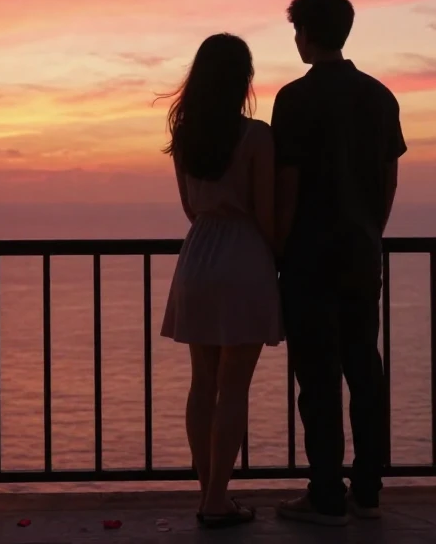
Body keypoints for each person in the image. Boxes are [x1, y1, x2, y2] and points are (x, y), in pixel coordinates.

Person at [271, 0, 407, 526]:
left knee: (318, 379)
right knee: (363, 368)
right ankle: (368, 488)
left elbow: (287, 185)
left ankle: (325, 491)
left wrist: (277, 249)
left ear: (305, 34)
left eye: (296, 31)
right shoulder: (379, 96)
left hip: (307, 254)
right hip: (360, 252)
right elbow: (390, 178)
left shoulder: (294, 99)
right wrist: (372, 231)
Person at [159, 32, 283, 529]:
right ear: (243, 80)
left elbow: (190, 208)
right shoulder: (256, 136)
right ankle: (217, 498)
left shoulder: (186, 136)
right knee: (234, 387)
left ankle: (207, 492)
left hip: (198, 260)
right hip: (244, 257)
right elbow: (267, 213)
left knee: (202, 384)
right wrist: (275, 258)